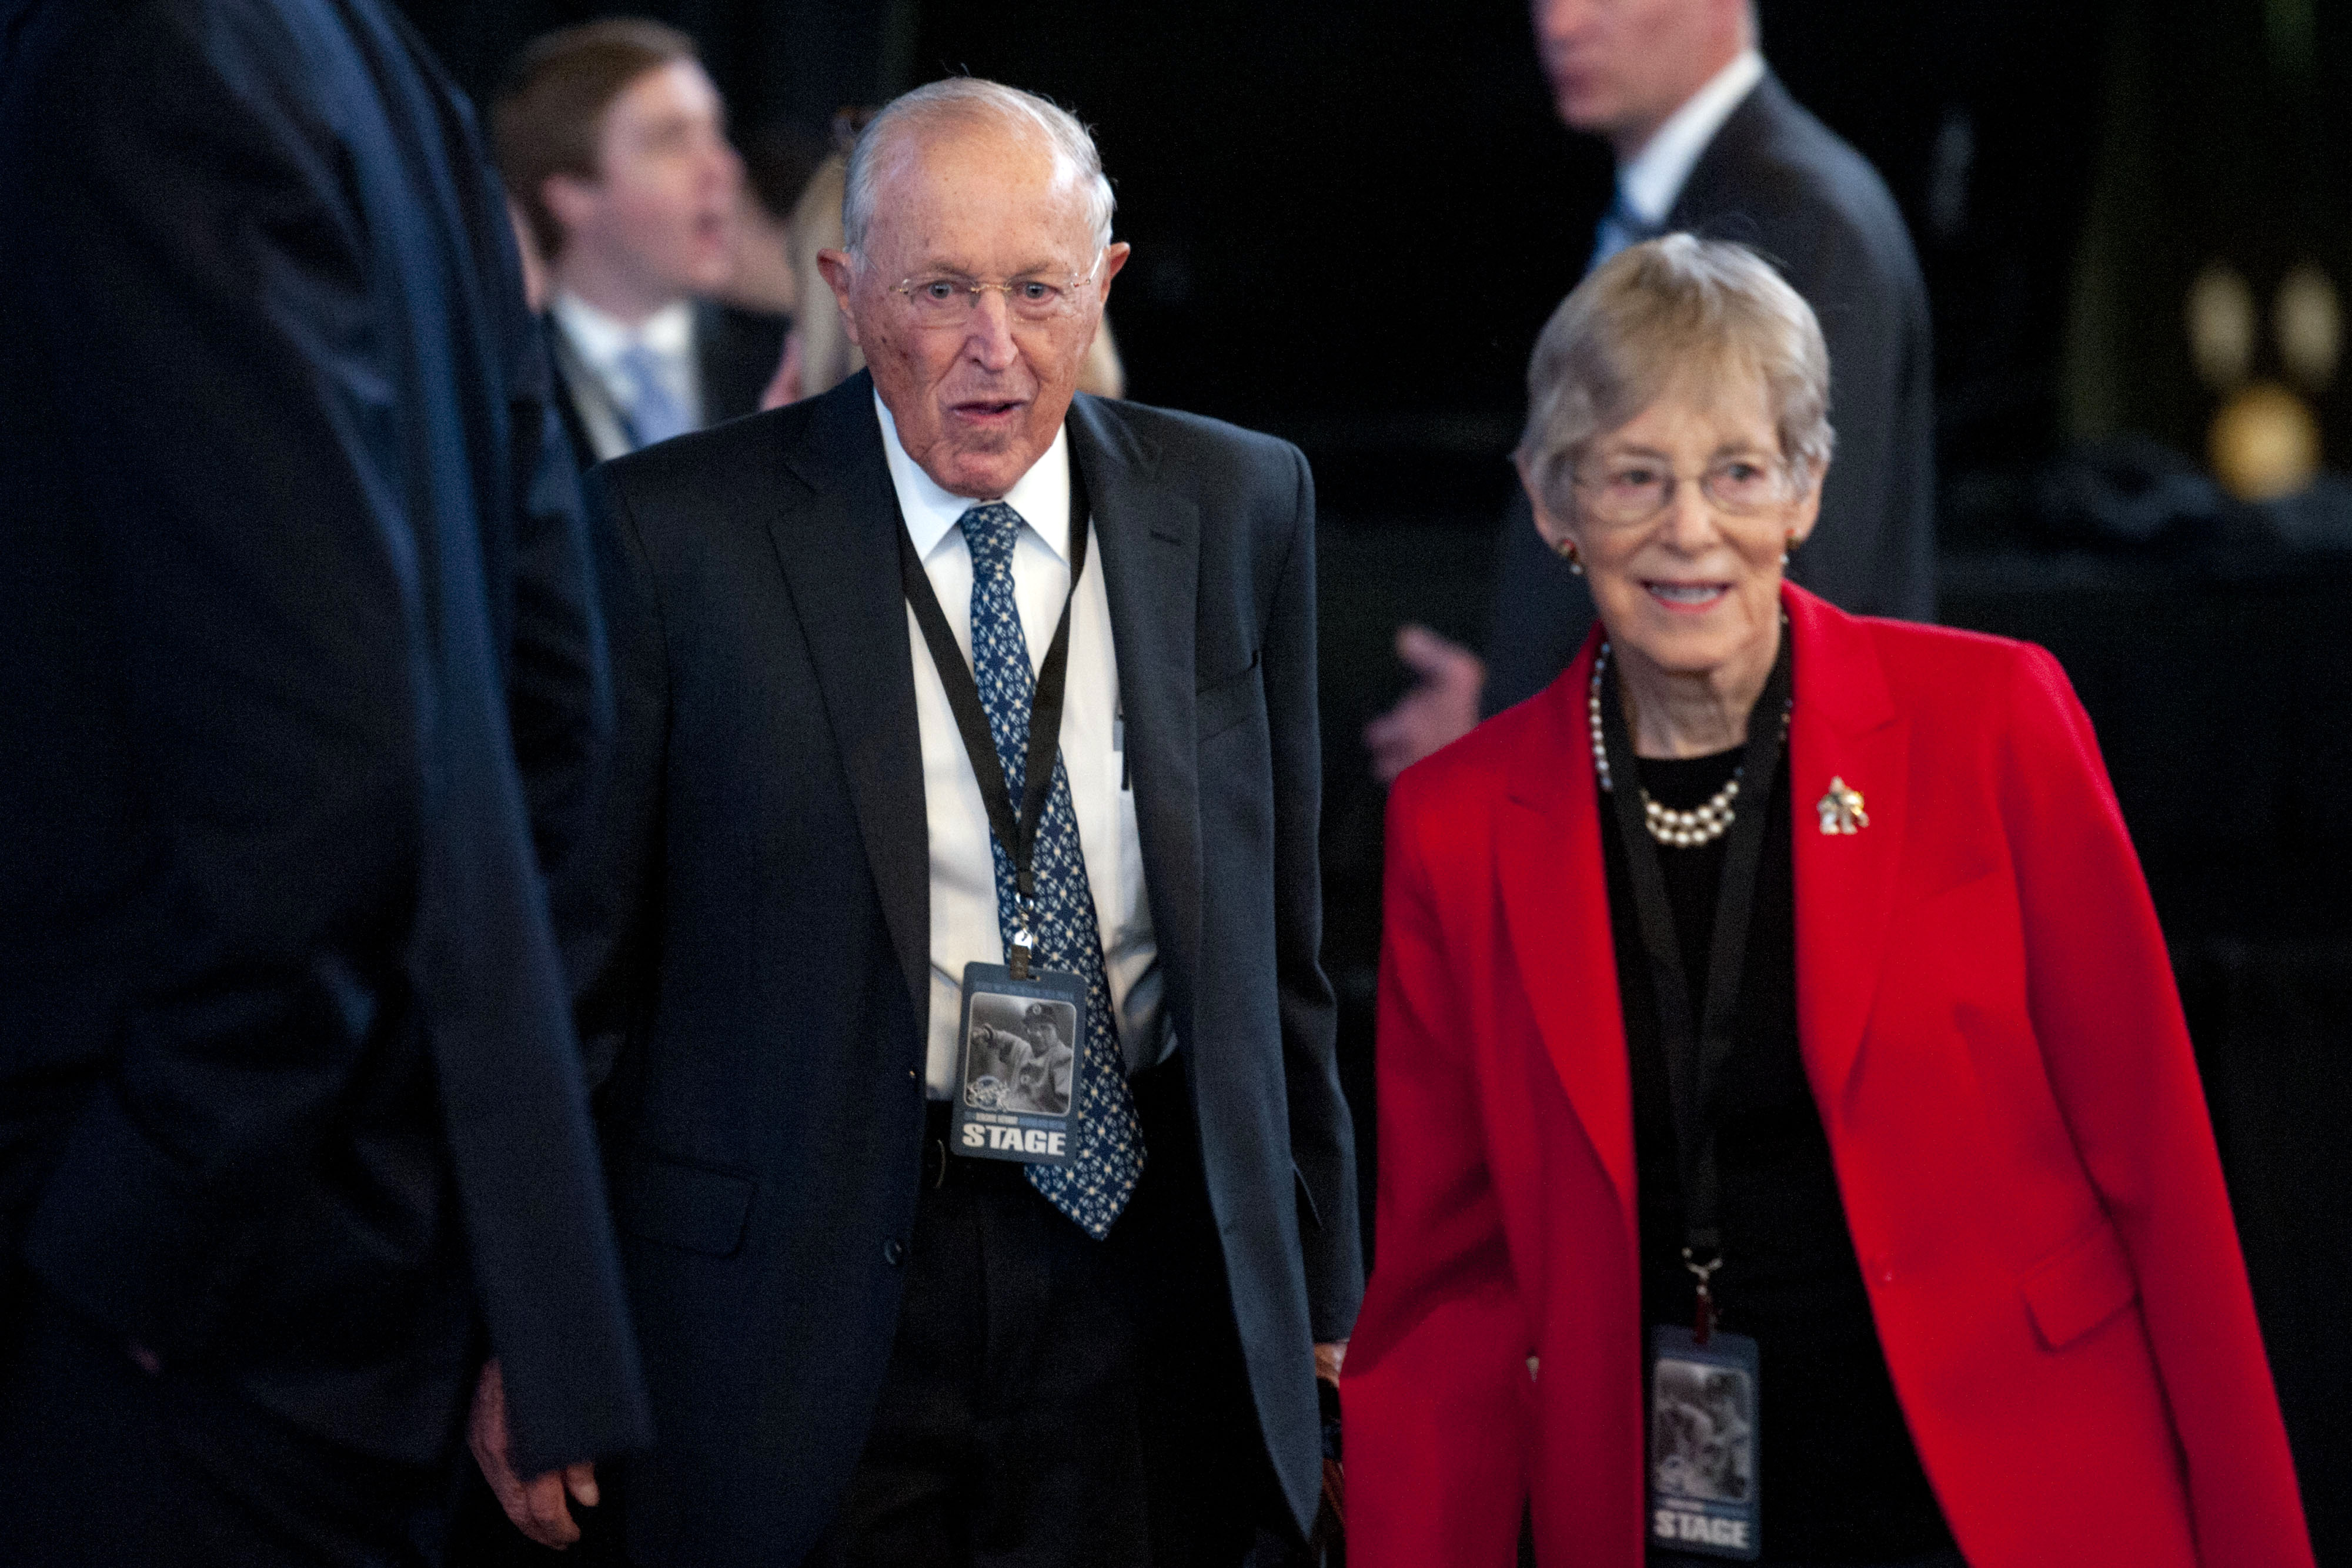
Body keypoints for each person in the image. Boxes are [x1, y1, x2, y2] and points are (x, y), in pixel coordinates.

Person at [467, 76, 1362, 1567]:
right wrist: (526, 1325)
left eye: (1035, 290)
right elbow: (568, 982)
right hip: (807, 1291)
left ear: (1106, 288)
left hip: (1142, 1267)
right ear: (846, 286)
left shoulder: (1239, 503)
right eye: (939, 290)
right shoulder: (666, 537)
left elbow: (1281, 953)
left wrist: (1318, 1286)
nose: (991, 350)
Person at [1342, 237, 2312, 1567]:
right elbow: (1448, 1294)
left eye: (1737, 471)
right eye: (1634, 476)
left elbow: (2162, 1172)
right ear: (1551, 501)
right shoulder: (1454, 828)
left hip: (1999, 1494)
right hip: (1666, 1510)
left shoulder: (1991, 723)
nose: (1690, 528)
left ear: (1804, 489)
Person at [0, 0, 650, 1562]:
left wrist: (145, 1226)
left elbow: (327, 762)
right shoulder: (379, 64)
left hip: (184, 1305)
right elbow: (554, 698)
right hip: (347, 1291)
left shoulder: (136, 55)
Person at [1365, 0, 1935, 784]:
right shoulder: (1686, 203)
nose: (1561, 25)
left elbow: (1792, 592)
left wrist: (1511, 742)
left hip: (1735, 842)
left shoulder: (1802, 220)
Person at [492, 19, 781, 467]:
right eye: (673, 140)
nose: (723, 168)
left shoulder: (788, 363)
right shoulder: (495, 389)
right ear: (572, 193)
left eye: (716, 132)